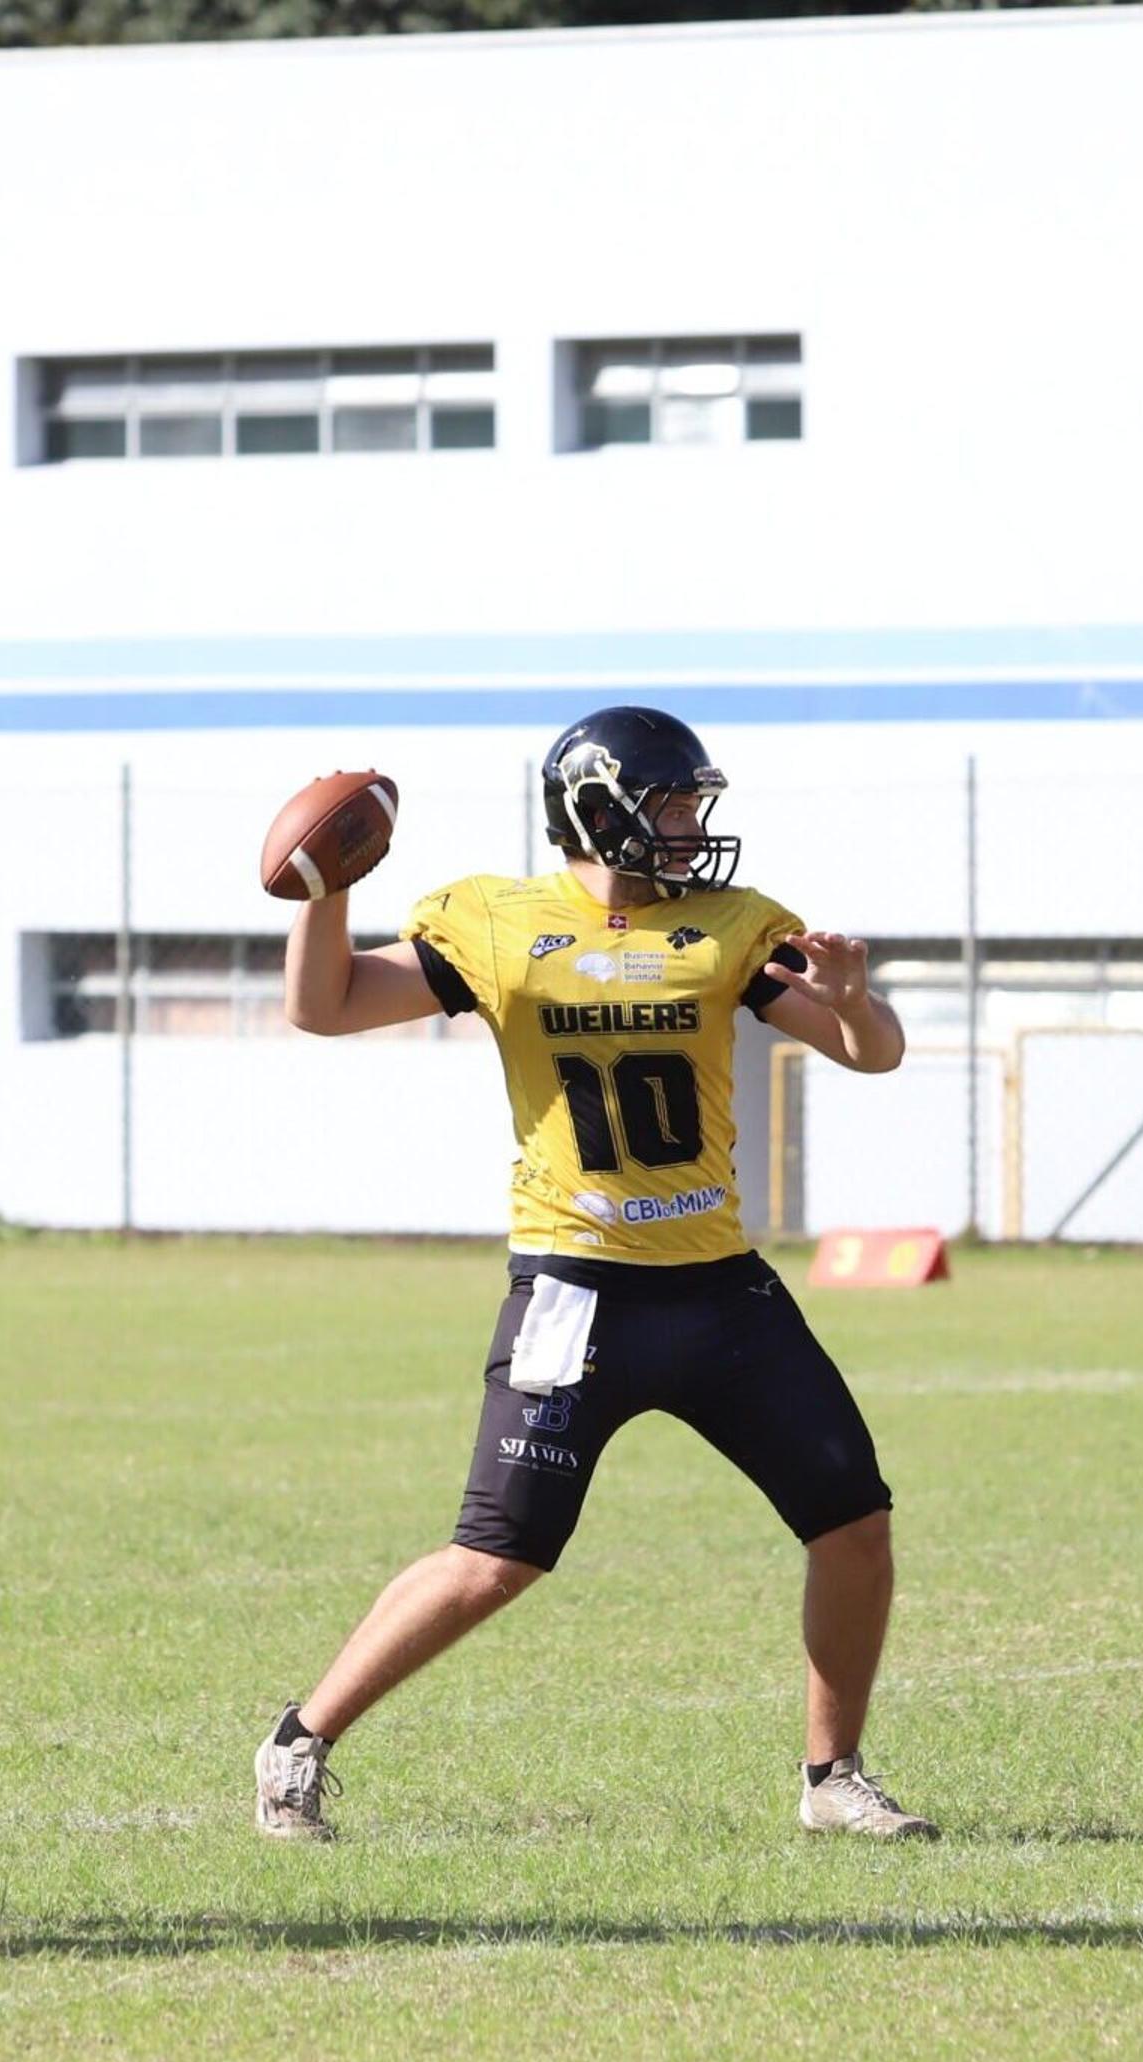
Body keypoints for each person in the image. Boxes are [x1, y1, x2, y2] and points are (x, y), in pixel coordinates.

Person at [251, 706, 927, 1841]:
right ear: (599, 807)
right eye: (671, 804)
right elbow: (323, 1007)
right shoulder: (503, 924)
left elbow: (874, 1053)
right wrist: (327, 889)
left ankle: (832, 1779)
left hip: (721, 1291)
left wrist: (856, 1000)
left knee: (853, 1522)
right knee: (493, 1561)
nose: (690, 828)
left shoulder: (726, 929)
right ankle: (297, 1744)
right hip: (576, 1291)